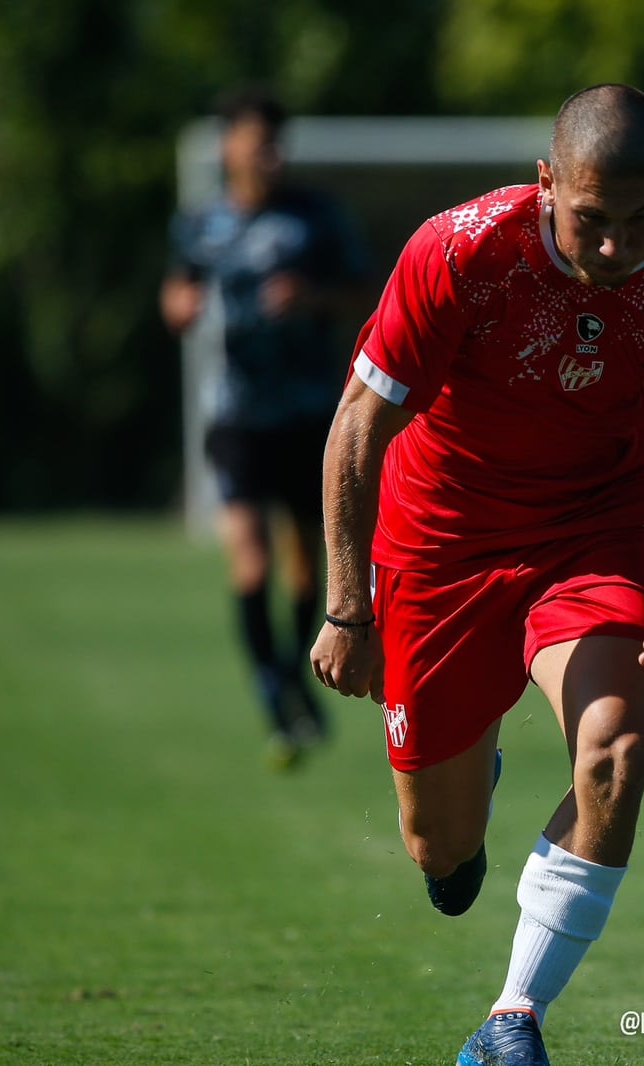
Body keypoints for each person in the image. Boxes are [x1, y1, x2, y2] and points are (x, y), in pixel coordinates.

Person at [310, 84, 644, 1066]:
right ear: (545, 183)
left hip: (587, 534)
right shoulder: (459, 252)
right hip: (436, 547)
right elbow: (358, 424)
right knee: (441, 853)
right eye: (589, 222)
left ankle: (510, 1021)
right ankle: (468, 777)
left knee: (614, 753)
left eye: (640, 219)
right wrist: (350, 610)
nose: (615, 249)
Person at [162, 85, 375, 770]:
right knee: (249, 556)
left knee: (305, 559)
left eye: (277, 144)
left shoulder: (316, 218)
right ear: (229, 147)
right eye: (258, 142)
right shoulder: (201, 223)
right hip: (236, 414)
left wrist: (310, 298)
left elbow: (367, 293)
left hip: (311, 411)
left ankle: (296, 672)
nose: (270, 156)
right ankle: (275, 692)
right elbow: (178, 288)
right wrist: (182, 304)